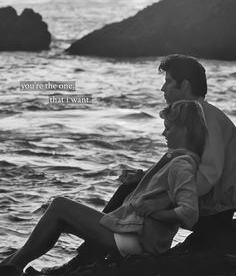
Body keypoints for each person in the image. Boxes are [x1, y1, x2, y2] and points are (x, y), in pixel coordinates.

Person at [24, 54, 236, 276]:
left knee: (132, 194)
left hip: (213, 214)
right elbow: (186, 169)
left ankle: (88, 259)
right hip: (206, 206)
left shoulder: (205, 116)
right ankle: (96, 257)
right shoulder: (197, 114)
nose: (163, 89)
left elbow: (208, 175)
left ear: (184, 85)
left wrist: (165, 198)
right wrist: (145, 177)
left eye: (168, 82)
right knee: (132, 189)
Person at [0, 100, 209, 276]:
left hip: (135, 240)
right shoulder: (178, 160)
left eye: (168, 127)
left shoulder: (182, 164)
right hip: (132, 233)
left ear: (185, 129)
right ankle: (9, 266)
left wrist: (157, 212)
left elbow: (189, 214)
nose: (163, 133)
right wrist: (143, 177)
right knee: (58, 219)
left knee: (59, 206)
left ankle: (12, 267)